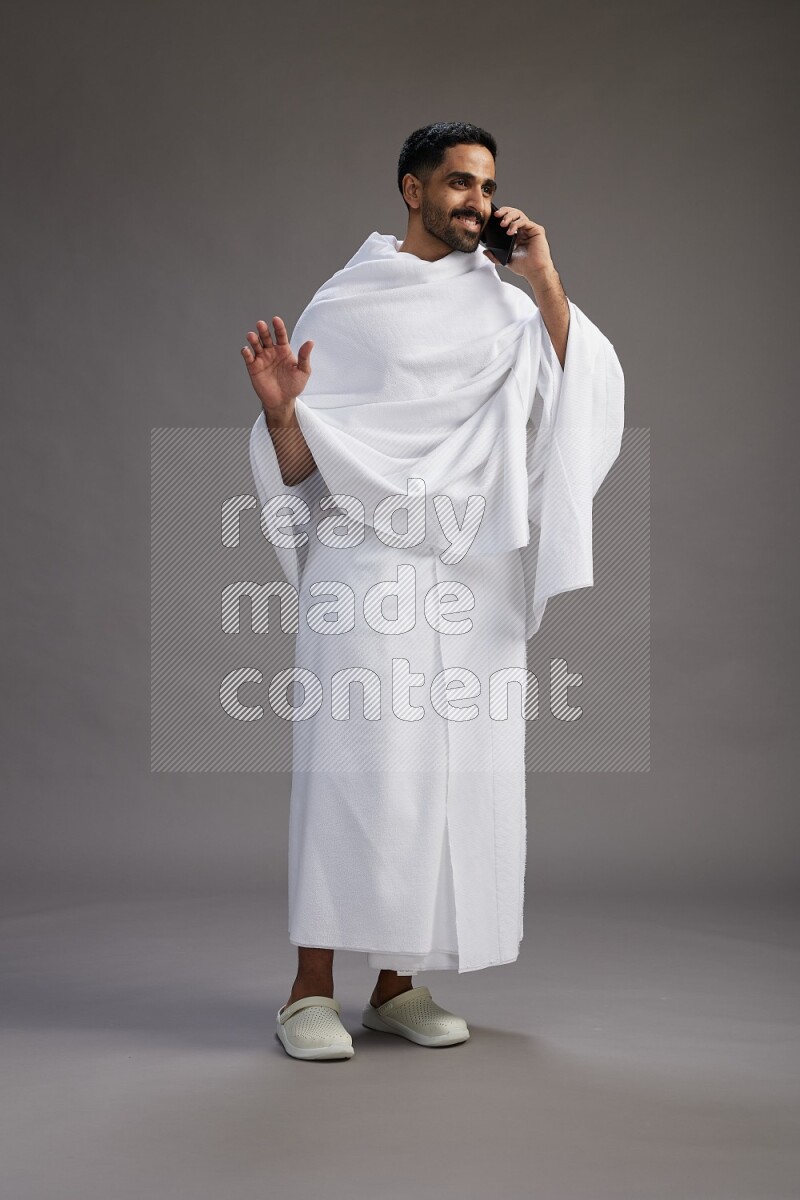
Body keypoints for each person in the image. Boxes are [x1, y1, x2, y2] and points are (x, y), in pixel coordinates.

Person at [242, 122, 624, 1060]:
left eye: (487, 185)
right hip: (367, 564)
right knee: (357, 767)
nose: (477, 202)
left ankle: (398, 985)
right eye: (458, 183)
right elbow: (303, 473)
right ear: (410, 190)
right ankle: (308, 991)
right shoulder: (352, 301)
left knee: (453, 773)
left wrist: (541, 280)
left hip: (473, 568)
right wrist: (284, 410)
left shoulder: (508, 307)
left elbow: (584, 398)